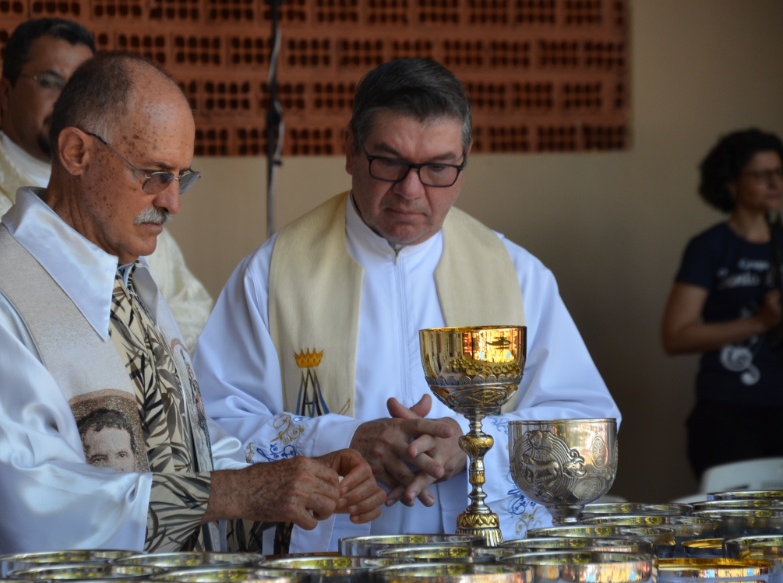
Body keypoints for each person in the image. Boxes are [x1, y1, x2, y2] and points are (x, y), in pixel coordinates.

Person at [0, 51, 385, 578]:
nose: (173, 203)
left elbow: (190, 446)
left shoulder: (129, 280)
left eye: (181, 178)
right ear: (76, 152)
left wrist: (302, 483)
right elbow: (27, 506)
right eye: (154, 175)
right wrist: (236, 492)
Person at [192, 58, 620, 554]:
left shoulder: (517, 277)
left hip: (482, 575)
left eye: (437, 167)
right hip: (328, 580)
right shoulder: (270, 275)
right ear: (350, 149)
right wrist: (345, 441)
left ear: (464, 164)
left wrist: (472, 446)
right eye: (390, 162)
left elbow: (589, 431)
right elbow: (212, 430)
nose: (411, 190)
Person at [0, 18, 213, 349]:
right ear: (5, 93)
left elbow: (192, 317)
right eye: (50, 81)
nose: (67, 99)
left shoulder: (136, 201)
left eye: (80, 85)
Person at [662, 128, 783, 480]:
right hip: (730, 412)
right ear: (731, 183)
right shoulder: (710, 247)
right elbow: (675, 337)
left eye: (779, 172)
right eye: (761, 175)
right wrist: (761, 322)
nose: (774, 183)